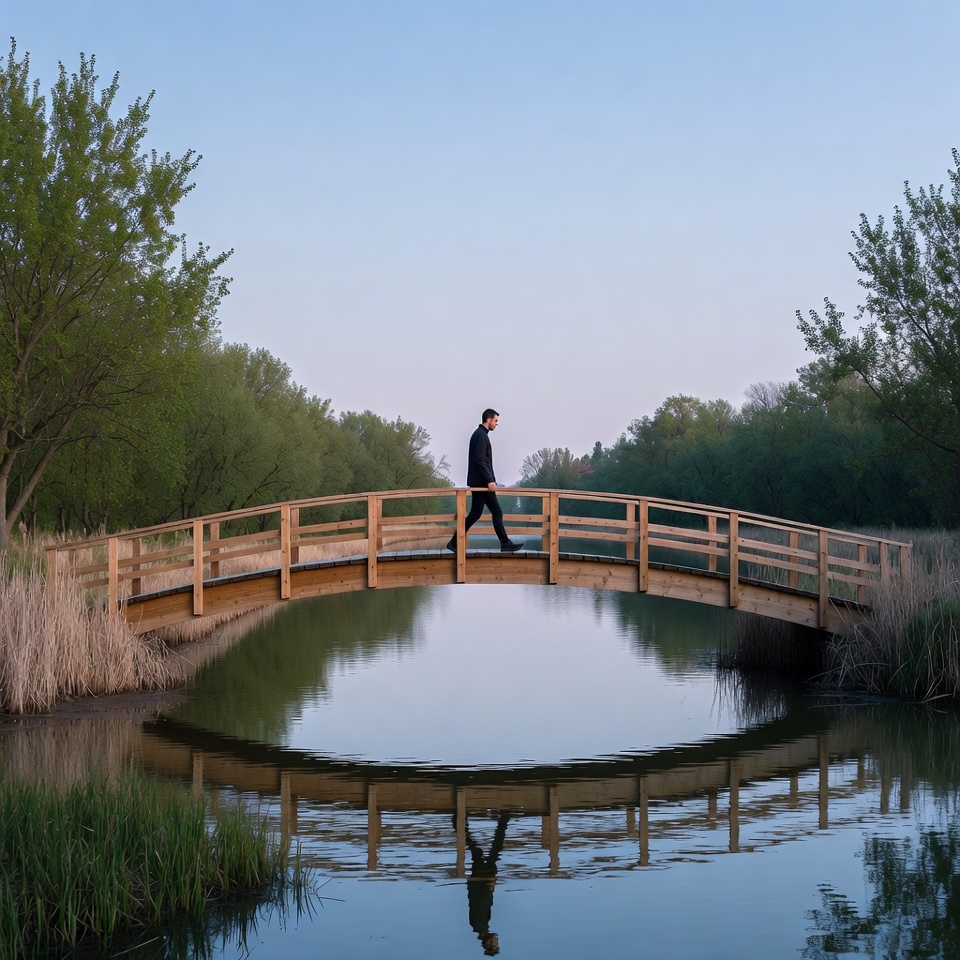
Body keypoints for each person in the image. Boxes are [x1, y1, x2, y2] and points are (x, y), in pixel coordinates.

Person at [447, 409, 523, 552]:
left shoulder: (480, 434)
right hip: (482, 482)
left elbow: (481, 460)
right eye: (495, 421)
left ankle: (454, 542)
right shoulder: (481, 436)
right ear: (488, 419)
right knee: (496, 511)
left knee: (477, 513)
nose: (497, 424)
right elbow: (480, 460)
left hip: (479, 481)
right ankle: (505, 543)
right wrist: (489, 480)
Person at [463, 813, 511, 956]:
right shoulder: (480, 927)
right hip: (479, 883)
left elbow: (480, 903)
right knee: (479, 851)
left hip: (482, 881)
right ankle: (461, 825)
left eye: (495, 943)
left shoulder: (480, 926)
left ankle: (503, 820)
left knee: (493, 850)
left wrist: (489, 887)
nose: (497, 940)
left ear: (488, 944)